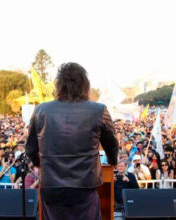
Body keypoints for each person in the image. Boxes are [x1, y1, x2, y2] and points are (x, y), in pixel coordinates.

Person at [26, 63, 119, 220]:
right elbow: (112, 144)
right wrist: (112, 160)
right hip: (84, 185)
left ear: (59, 85)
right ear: (85, 84)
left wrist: (40, 164)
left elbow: (30, 148)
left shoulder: (41, 110)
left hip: (52, 184)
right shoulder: (98, 110)